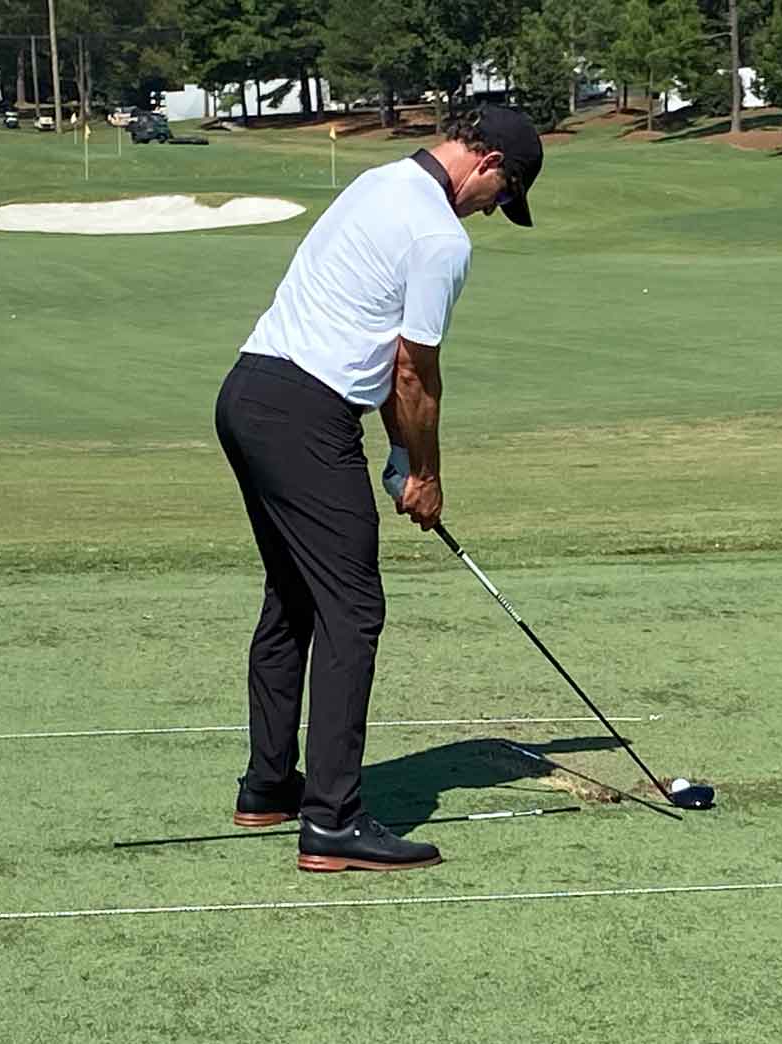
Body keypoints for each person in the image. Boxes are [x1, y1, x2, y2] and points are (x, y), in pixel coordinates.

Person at [213, 105, 544, 872]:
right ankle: (331, 819)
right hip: (304, 414)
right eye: (503, 195)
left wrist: (396, 452)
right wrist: (423, 473)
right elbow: (412, 370)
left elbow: (385, 363)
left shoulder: (376, 182)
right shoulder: (439, 235)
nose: (493, 209)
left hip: (248, 393)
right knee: (353, 609)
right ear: (490, 165)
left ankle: (268, 788)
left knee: (294, 596)